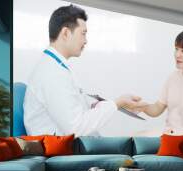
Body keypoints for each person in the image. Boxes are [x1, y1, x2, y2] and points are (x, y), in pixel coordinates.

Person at [23, 5, 146, 136]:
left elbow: (73, 112)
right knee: (148, 139)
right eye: (83, 33)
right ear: (65, 33)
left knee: (146, 139)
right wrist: (116, 103)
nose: (86, 41)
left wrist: (113, 105)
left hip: (72, 146)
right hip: (66, 151)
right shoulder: (52, 73)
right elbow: (76, 128)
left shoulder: (55, 67)